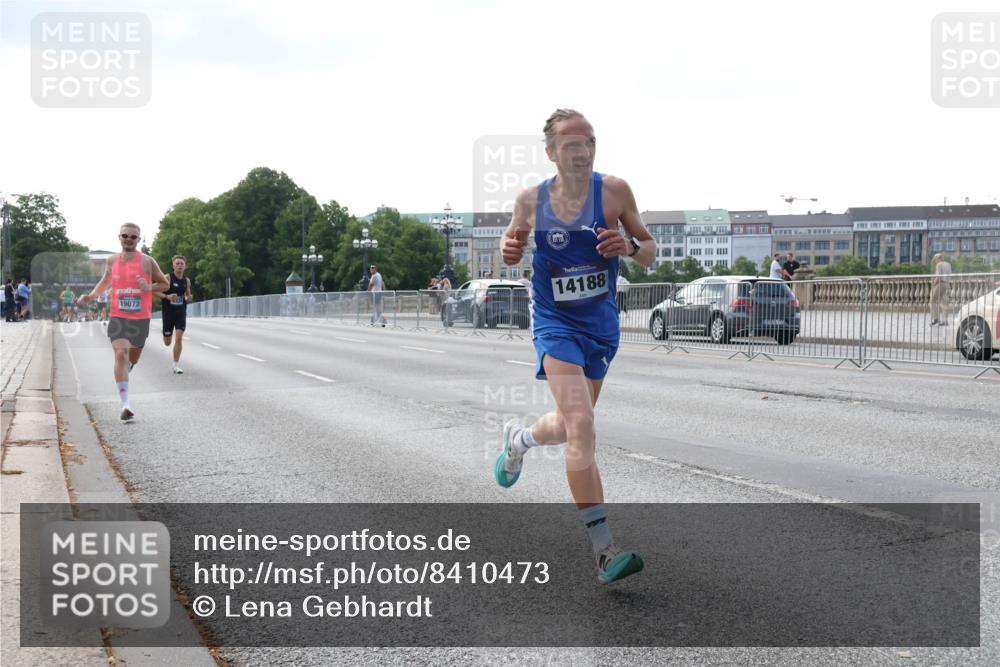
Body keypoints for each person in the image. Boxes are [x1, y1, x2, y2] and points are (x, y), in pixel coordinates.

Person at [495, 109, 655, 585]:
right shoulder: (531, 201)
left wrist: (627, 246)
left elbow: (649, 249)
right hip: (554, 322)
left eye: (588, 141)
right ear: (551, 152)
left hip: (601, 327)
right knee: (583, 422)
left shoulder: (615, 192)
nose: (582, 149)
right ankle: (605, 550)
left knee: (569, 425)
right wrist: (509, 248)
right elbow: (512, 242)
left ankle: (518, 441)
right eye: (570, 143)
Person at [77, 223, 169, 421]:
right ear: (119, 237)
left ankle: (131, 365)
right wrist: (91, 296)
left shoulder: (147, 261)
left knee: (133, 357)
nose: (129, 239)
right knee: (121, 354)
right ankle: (126, 403)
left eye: (133, 237)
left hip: (141, 317)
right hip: (118, 315)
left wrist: (148, 287)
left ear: (139, 239)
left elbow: (165, 284)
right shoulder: (111, 260)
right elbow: (105, 282)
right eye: (125, 236)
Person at [162, 255, 194, 374]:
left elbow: (187, 295)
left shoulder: (187, 281)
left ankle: (176, 365)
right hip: (168, 313)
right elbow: (156, 291)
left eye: (182, 263)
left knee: (179, 337)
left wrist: (188, 297)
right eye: (177, 263)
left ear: (185, 266)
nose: (180, 265)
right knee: (167, 342)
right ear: (173, 266)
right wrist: (167, 296)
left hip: (180, 312)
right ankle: (166, 334)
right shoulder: (167, 278)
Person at [929, 253, 952, 326]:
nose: (935, 262)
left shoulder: (939, 265)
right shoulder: (948, 264)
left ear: (938, 258)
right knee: (943, 302)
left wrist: (934, 284)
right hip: (946, 284)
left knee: (932, 301)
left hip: (940, 284)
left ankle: (936, 319)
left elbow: (938, 277)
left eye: (935, 260)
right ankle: (945, 320)